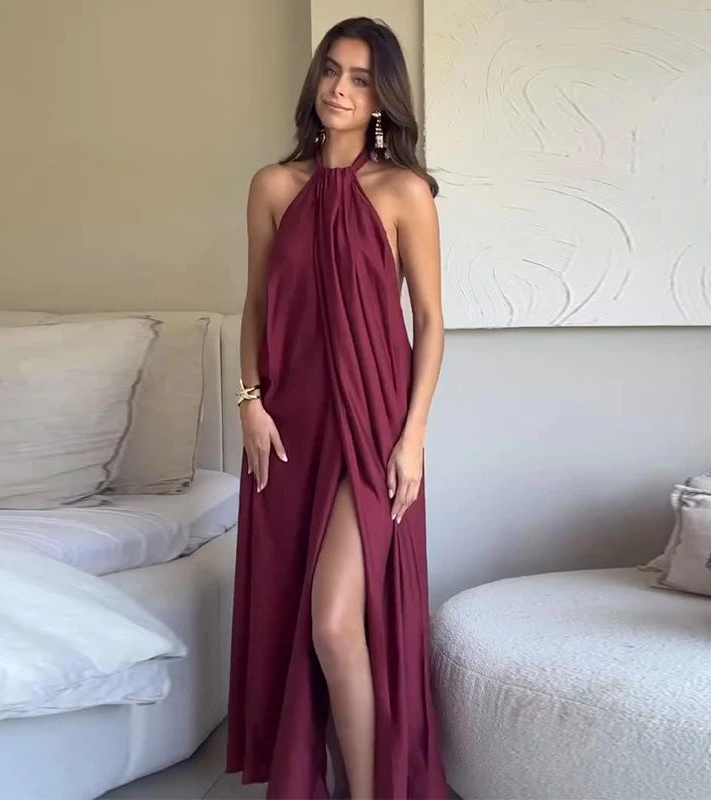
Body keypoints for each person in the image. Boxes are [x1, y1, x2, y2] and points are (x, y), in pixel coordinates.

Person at [225, 15, 447, 800]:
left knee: (334, 623)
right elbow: (254, 303)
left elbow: (430, 322)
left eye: (358, 77)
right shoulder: (272, 185)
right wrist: (249, 399)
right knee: (301, 618)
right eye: (331, 71)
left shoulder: (403, 191)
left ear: (382, 93)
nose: (338, 89)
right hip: (287, 429)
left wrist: (412, 436)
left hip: (371, 426)